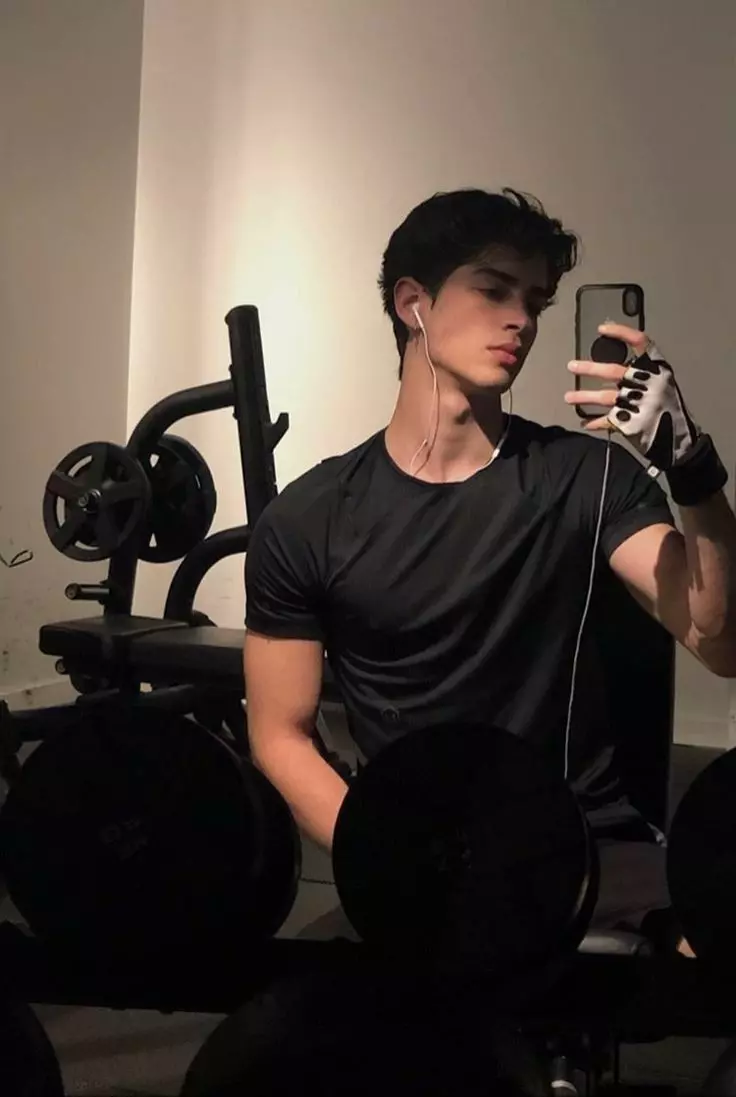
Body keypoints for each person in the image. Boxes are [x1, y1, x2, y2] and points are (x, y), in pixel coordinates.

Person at [243, 187, 736, 955]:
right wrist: (385, 854)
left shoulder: (588, 477)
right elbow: (281, 734)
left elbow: (720, 641)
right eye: (494, 289)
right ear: (414, 303)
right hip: (427, 860)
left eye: (534, 301)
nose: (522, 321)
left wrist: (692, 469)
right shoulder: (310, 519)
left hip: (587, 853)